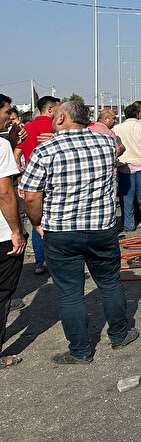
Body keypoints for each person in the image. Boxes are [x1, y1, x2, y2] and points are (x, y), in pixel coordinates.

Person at [19, 100, 139, 364]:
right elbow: (116, 147)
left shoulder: (45, 151)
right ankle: (119, 335)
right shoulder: (107, 144)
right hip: (101, 230)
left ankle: (81, 351)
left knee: (70, 293)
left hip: (61, 233)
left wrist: (38, 223)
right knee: (110, 284)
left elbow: (30, 197)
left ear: (61, 118)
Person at [17, 95, 60, 275]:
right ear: (50, 109)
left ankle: (39, 262)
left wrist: (21, 173)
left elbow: (16, 152)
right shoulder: (56, 129)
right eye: (59, 108)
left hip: (32, 182)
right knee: (56, 221)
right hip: (54, 182)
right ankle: (56, 260)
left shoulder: (26, 129)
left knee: (36, 221)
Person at [0, 94, 26, 369]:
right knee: (2, 292)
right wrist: (16, 231)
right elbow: (5, 194)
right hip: (1, 234)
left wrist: (14, 145)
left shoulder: (4, 144)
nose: (12, 116)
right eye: (8, 111)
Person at [114, 103, 141, 232]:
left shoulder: (117, 128)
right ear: (138, 114)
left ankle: (129, 225)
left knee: (126, 199)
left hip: (124, 167)